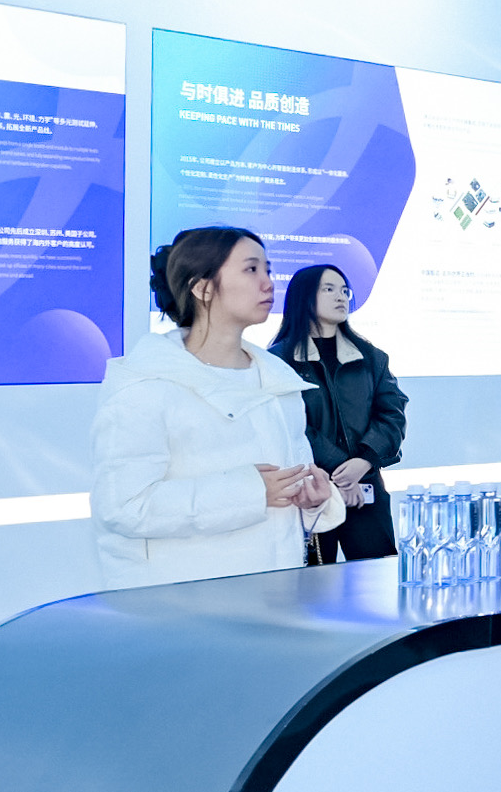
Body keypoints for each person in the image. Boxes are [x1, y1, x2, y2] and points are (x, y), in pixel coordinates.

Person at [93, 228, 341, 587]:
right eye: (251, 269)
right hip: (185, 602)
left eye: (268, 270)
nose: (268, 283)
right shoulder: (146, 385)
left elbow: (285, 486)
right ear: (202, 288)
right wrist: (250, 492)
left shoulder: (277, 381)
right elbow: (124, 506)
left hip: (275, 593)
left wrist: (310, 498)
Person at [269, 264, 409, 563]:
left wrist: (364, 461)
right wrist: (340, 473)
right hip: (309, 490)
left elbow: (393, 414)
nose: (341, 296)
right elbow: (290, 424)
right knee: (313, 583)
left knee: (377, 578)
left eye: (345, 290)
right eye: (329, 289)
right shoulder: (279, 360)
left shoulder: (371, 357)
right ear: (304, 297)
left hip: (366, 486)